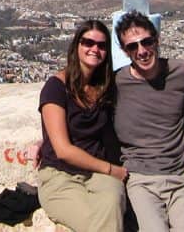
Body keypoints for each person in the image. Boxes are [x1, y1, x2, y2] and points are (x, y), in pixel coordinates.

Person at [114, 11, 184, 232]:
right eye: (133, 46)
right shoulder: (116, 82)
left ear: (157, 40)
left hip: (179, 175)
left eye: (146, 42)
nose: (142, 51)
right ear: (125, 51)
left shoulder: (181, 72)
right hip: (140, 178)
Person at [37, 19, 127, 232]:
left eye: (101, 45)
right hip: (60, 176)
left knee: (112, 204)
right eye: (88, 42)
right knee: (98, 224)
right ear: (76, 45)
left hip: (99, 177)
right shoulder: (55, 88)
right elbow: (63, 150)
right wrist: (111, 169)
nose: (94, 49)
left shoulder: (106, 88)